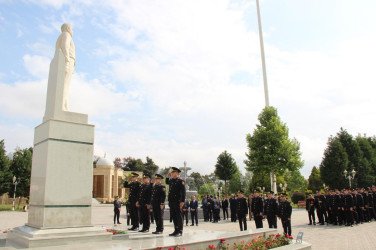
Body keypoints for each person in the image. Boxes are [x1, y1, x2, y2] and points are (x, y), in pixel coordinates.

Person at [55, 23, 75, 111]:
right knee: (64, 85)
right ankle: (62, 106)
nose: (72, 30)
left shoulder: (61, 36)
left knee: (65, 85)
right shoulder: (66, 35)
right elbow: (65, 46)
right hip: (67, 60)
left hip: (65, 61)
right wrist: (67, 59)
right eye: (71, 28)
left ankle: (64, 105)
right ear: (68, 28)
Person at [166, 167, 186, 237]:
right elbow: (167, 182)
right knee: (174, 216)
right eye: (172, 173)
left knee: (179, 216)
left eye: (173, 172)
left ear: (177, 173)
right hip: (172, 201)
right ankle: (176, 230)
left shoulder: (180, 181)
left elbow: (183, 192)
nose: (172, 174)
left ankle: (180, 231)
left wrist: (182, 201)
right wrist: (167, 177)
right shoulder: (171, 180)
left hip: (178, 201)